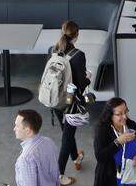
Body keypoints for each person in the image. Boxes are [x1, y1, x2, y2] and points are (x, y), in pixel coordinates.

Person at [49, 22, 89, 186]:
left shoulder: (53, 50)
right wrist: (88, 79)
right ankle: (59, 175)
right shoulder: (79, 55)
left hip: (55, 99)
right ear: (77, 34)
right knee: (67, 136)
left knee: (67, 132)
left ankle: (75, 157)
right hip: (71, 103)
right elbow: (80, 84)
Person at [92, 98, 136, 186]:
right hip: (112, 177)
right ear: (110, 116)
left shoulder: (131, 125)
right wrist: (118, 141)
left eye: (125, 111)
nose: (124, 116)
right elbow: (100, 156)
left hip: (132, 174)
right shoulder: (102, 131)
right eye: (119, 114)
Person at [13, 109, 59, 186]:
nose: (14, 129)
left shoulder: (26, 159)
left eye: (17, 126)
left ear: (28, 130)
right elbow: (56, 172)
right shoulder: (48, 142)